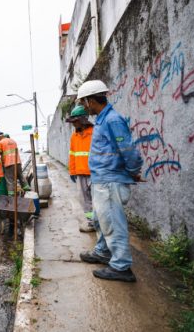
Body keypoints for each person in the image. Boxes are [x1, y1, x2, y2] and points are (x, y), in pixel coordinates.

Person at [77, 80, 143, 282]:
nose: (84, 107)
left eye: (84, 102)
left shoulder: (112, 120)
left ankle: (121, 266)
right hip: (102, 180)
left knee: (113, 223)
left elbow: (127, 150)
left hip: (110, 181)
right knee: (100, 220)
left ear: (90, 100)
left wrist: (133, 170)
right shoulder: (102, 120)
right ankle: (103, 252)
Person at [67, 105, 95, 233]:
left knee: (98, 200)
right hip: (80, 173)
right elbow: (72, 155)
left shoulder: (95, 133)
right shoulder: (74, 137)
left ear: (83, 119)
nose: (73, 124)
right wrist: (72, 171)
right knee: (84, 200)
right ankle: (91, 223)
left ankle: (100, 222)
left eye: (75, 121)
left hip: (95, 173)